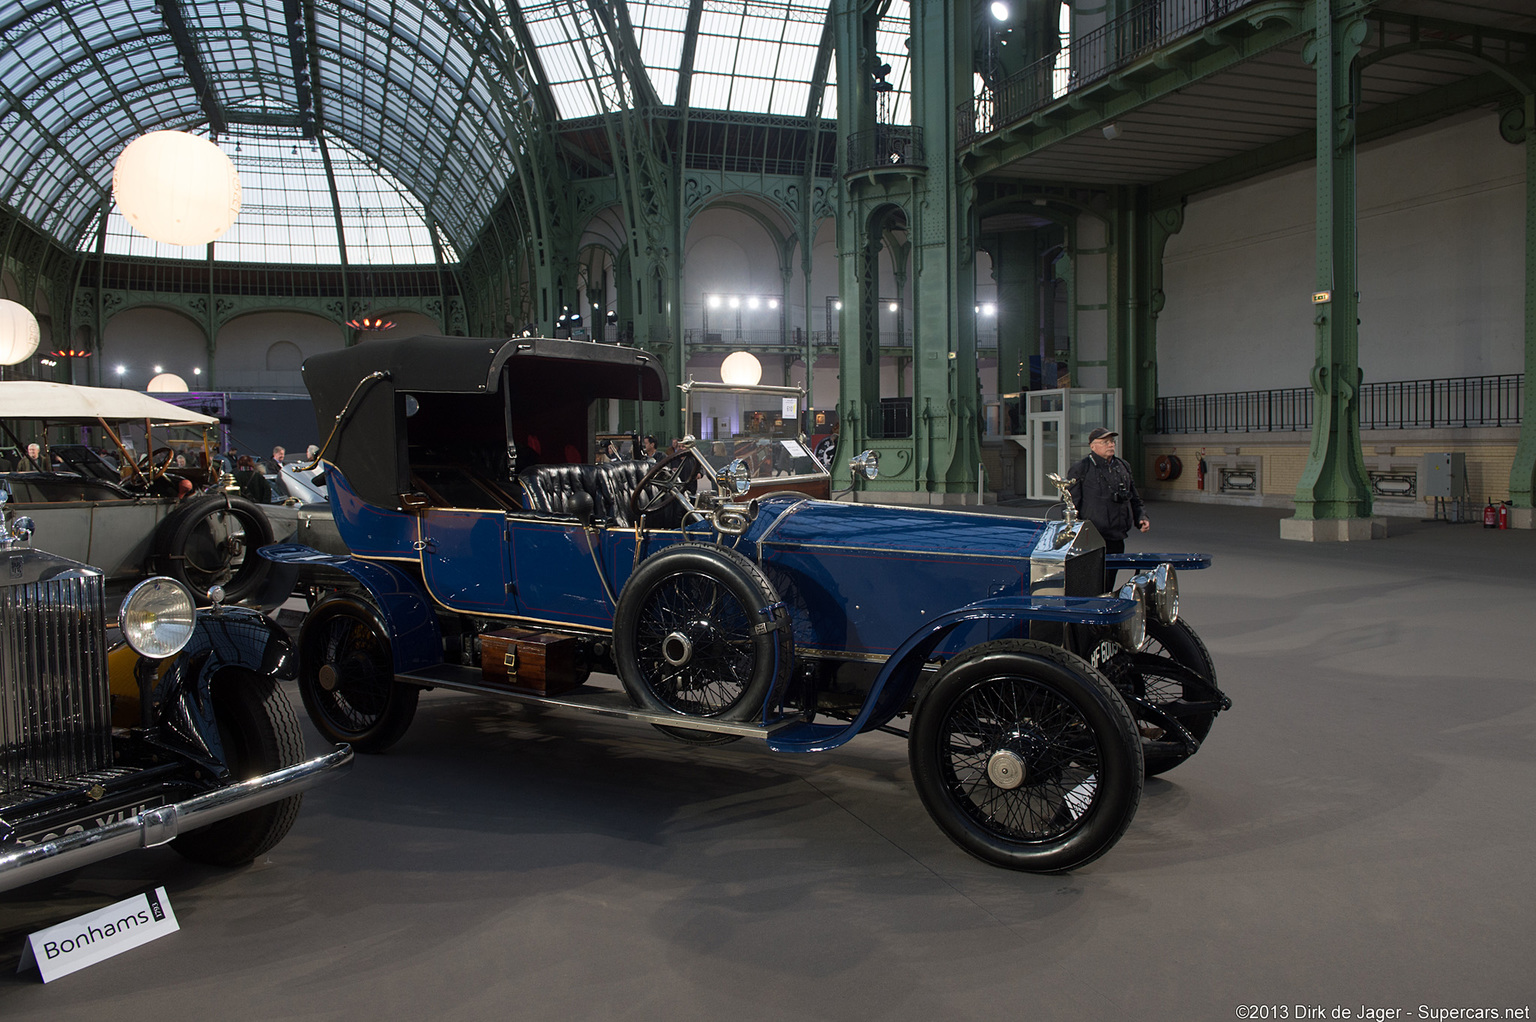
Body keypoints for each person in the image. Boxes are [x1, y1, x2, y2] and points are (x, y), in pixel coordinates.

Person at [1065, 427, 1149, 593]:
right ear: (1093, 446)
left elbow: (1133, 497)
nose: (1110, 445)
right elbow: (1070, 503)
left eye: (1112, 442)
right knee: (1092, 582)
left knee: (1109, 580)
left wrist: (1141, 517)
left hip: (1117, 536)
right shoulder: (1081, 468)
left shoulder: (1122, 466)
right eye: (1105, 442)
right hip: (1092, 537)